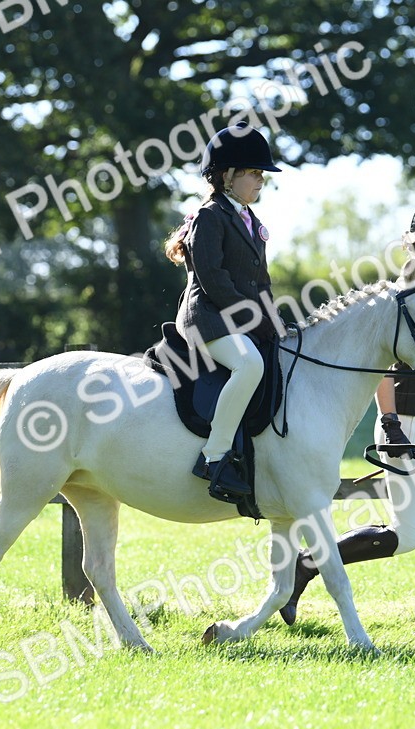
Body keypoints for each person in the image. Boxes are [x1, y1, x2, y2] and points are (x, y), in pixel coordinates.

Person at [278, 201, 415, 643]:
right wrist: (389, 420)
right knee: (412, 535)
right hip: (406, 423)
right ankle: (308, 564)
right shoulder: (406, 288)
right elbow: (383, 362)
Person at [163, 122, 284, 502]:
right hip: (207, 319)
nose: (260, 180)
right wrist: (254, 316)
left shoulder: (253, 222)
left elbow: (260, 282)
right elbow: (213, 279)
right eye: (253, 173)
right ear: (227, 175)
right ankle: (214, 457)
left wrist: (275, 320)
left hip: (238, 318)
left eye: (261, 173)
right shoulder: (210, 216)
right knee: (250, 365)